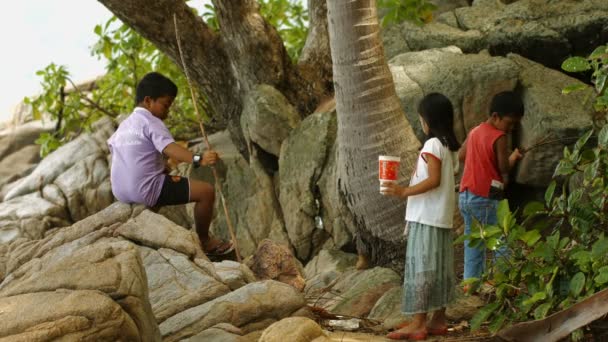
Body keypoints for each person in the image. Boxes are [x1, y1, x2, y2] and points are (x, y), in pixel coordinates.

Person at [107, 71, 233, 256]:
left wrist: (158, 166)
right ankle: (205, 241)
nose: (167, 112)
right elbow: (170, 148)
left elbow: (118, 150)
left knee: (163, 175)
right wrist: (199, 159)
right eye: (165, 105)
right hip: (145, 190)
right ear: (149, 101)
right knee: (205, 192)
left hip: (120, 192)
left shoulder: (125, 125)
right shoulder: (151, 121)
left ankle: (144, 220)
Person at [383, 93, 460, 340]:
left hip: (426, 217)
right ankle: (438, 319)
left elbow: (433, 180)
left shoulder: (431, 145)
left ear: (428, 120)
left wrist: (403, 191)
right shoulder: (449, 147)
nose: (421, 123)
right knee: (439, 268)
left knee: (422, 268)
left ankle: (418, 324)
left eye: (421, 118)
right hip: (441, 217)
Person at [458, 91, 524, 281]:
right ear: (496, 116)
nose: (511, 128)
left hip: (465, 196)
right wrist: (514, 157)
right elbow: (503, 168)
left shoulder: (474, 131)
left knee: (473, 242)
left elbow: (462, 156)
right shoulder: (499, 136)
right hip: (486, 197)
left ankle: (470, 284)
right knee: (502, 237)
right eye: (510, 123)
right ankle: (504, 280)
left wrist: (479, 159)